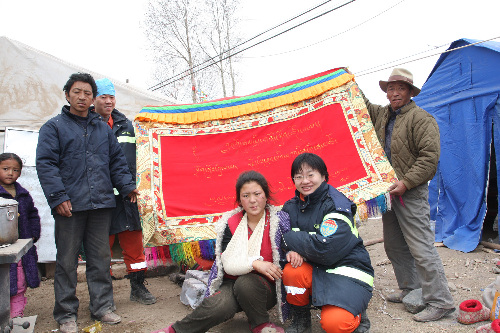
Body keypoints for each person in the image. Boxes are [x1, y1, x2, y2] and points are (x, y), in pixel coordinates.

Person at [36, 73, 139, 333]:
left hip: (102, 205)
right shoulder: (54, 127)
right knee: (67, 262)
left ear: (92, 99)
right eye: (77, 92)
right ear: (67, 94)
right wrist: (58, 197)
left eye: (87, 93)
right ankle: (66, 314)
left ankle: (102, 307)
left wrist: (127, 187)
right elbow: (46, 165)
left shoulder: (102, 129)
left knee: (100, 260)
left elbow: (116, 161)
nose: (82, 97)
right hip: (69, 206)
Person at [361, 68, 455, 322]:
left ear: (410, 92)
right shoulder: (383, 115)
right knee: (394, 245)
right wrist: (349, 82)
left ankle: (441, 301)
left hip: (410, 192)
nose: (394, 93)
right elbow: (363, 106)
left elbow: (429, 160)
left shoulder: (422, 119)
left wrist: (406, 183)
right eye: (391, 88)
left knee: (422, 247)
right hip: (389, 192)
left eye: (400, 88)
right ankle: (411, 289)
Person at [151, 170, 288, 333]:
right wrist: (255, 263)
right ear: (239, 200)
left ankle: (260, 324)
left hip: (265, 288)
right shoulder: (230, 223)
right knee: (219, 305)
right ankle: (175, 330)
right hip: (231, 282)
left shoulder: (279, 222)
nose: (252, 200)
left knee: (246, 283)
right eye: (245, 196)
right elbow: (228, 263)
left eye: (257, 194)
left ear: (266, 195)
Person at [279, 152, 373, 333]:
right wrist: (290, 249)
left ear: (323, 176)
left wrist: (289, 238)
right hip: (316, 268)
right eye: (298, 177)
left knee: (335, 324)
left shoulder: (335, 203)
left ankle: (358, 314)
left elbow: (326, 249)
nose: (305, 181)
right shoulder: (290, 207)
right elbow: (281, 241)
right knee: (292, 271)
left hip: (346, 270)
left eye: (310, 175)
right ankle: (301, 319)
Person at [91, 78, 156, 305]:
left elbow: (143, 155)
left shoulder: (127, 125)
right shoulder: (85, 124)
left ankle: (138, 288)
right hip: (99, 200)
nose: (108, 101)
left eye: (111, 97)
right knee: (100, 250)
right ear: (93, 99)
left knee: (135, 248)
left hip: (127, 198)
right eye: (103, 97)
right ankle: (103, 297)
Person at [0, 153, 41, 318]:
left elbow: (33, 215)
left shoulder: (23, 195)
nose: (10, 173)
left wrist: (33, 235)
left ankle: (16, 316)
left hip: (21, 248)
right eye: (5, 169)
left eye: (15, 170)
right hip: (2, 249)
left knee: (19, 282)